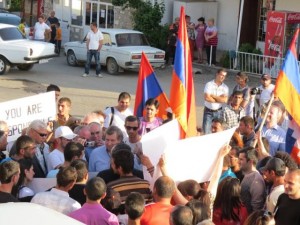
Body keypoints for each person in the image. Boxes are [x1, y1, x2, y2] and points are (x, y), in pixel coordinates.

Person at [238, 147, 266, 213]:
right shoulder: (246, 175)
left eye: (241, 159)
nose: (238, 162)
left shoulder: (256, 180)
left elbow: (256, 208)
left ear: (250, 161)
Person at [202, 68, 229, 134]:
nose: (223, 77)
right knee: (206, 131)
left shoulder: (225, 87)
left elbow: (225, 100)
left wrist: (213, 96)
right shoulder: (209, 84)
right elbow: (207, 98)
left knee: (218, 132)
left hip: (219, 111)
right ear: (217, 74)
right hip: (208, 111)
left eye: (224, 76)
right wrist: (219, 99)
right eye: (221, 75)